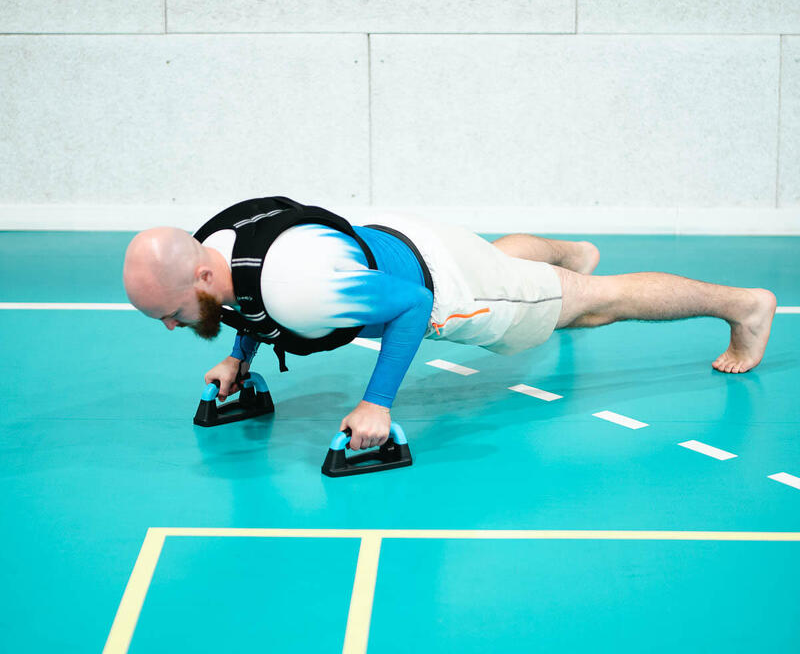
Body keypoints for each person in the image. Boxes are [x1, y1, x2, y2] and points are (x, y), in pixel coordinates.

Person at [122, 201, 777, 452]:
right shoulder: (211, 245)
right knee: (502, 262)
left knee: (592, 305)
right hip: (405, 236)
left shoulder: (302, 288)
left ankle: (743, 305)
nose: (175, 328)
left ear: (200, 278)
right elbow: (245, 300)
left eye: (172, 314)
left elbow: (408, 306)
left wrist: (377, 403)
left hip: (447, 288)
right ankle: (569, 253)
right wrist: (239, 359)